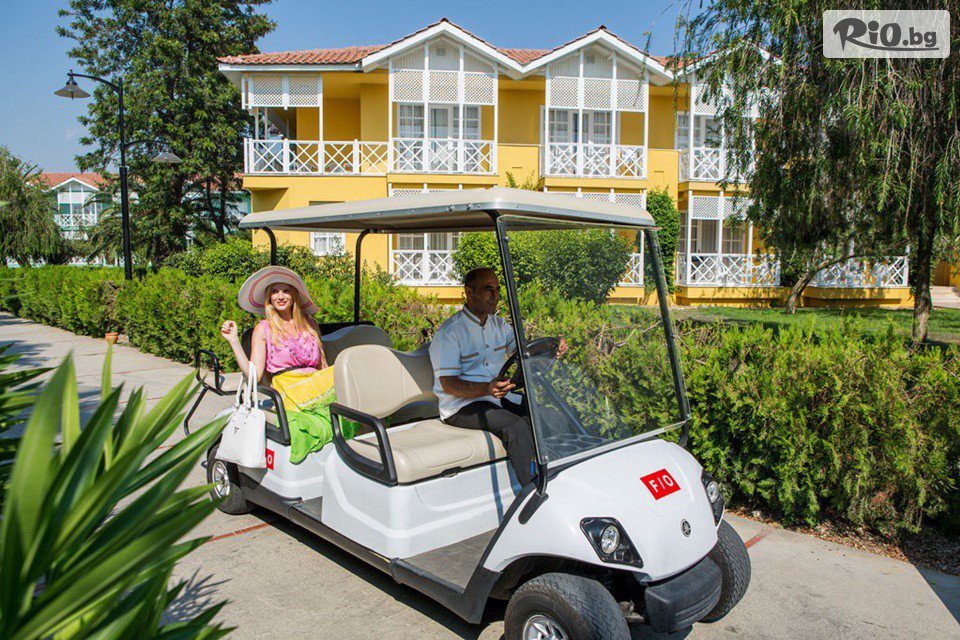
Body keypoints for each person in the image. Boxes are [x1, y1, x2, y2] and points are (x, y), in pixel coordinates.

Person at [429, 267, 565, 486]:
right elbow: (448, 385)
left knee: (551, 417)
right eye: (488, 289)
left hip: (497, 398)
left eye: (497, 289)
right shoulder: (450, 332)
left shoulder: (500, 325)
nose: (495, 295)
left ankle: (561, 476)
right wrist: (486, 388)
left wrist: (551, 349)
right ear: (469, 292)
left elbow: (523, 353)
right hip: (461, 406)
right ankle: (534, 489)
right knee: (516, 427)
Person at [220, 266, 354, 463]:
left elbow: (322, 365)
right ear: (269, 298)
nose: (280, 296)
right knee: (350, 369)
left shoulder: (309, 324)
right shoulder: (263, 328)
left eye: (285, 291)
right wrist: (234, 341)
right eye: (274, 292)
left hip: (314, 382)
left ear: (294, 296)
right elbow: (254, 374)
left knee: (349, 371)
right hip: (289, 388)